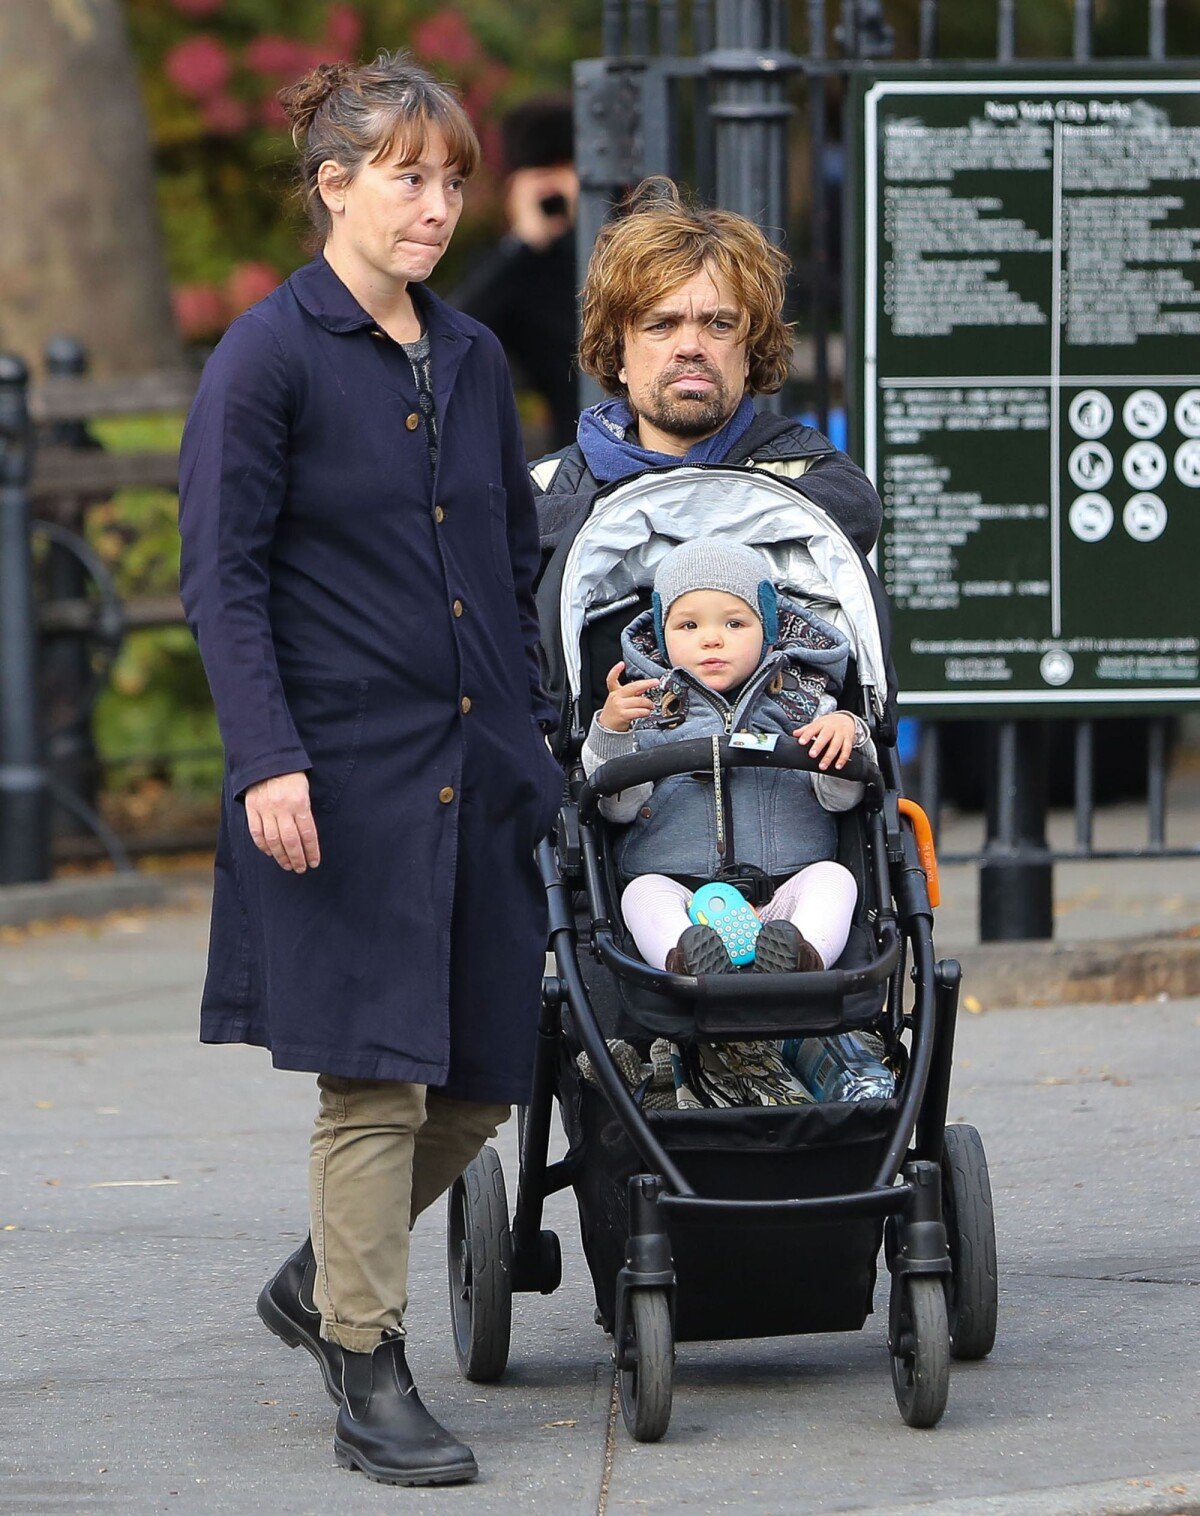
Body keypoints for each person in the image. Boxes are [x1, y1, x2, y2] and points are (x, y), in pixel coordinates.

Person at [177, 51, 561, 1488]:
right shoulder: (264, 359)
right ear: (334, 184)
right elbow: (221, 580)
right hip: (337, 778)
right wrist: (268, 760)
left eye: (453, 175)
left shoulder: (465, 357)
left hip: (477, 767)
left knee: (481, 1074)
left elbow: (509, 565)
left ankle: (320, 1276)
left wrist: (535, 739)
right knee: (376, 1083)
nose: (439, 202)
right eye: (410, 174)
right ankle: (368, 1363)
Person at [530, 177, 883, 603]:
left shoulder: (813, 474)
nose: (690, 347)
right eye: (661, 325)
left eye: (719, 324)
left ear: (750, 351)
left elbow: (857, 511)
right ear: (618, 354)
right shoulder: (545, 490)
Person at [582, 538, 872, 976]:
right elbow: (617, 809)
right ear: (662, 636)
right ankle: (685, 962)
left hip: (784, 895)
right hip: (684, 899)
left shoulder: (804, 703)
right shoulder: (644, 708)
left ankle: (802, 959)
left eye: (735, 624)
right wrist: (611, 732)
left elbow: (841, 799)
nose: (712, 639)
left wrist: (848, 734)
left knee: (834, 880)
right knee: (641, 893)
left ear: (768, 628)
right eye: (688, 626)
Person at [452, 96, 578, 449]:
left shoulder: (620, 246)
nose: (552, 187)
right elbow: (452, 331)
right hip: (569, 450)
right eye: (540, 173)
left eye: (563, 168)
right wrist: (523, 241)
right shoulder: (508, 266)